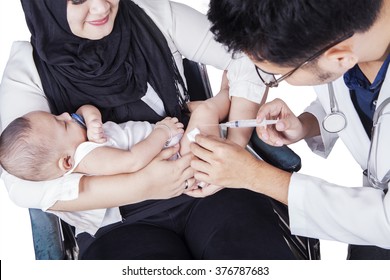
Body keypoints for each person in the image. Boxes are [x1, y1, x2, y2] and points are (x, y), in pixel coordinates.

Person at [0, 0, 295, 259]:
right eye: (78, 0)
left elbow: (248, 56)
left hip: (206, 182)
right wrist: (143, 184)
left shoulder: (153, 14)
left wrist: (233, 148)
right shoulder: (28, 68)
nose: (102, 7)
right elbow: (21, 183)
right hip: (118, 221)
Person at [190, 0, 390, 259]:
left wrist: (253, 175)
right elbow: (357, 105)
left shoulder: (340, 42)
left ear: (340, 57)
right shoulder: (344, 35)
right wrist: (305, 125)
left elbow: (384, 220)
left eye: (277, 76)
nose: (271, 81)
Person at [0, 104, 185, 181]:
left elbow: (84, 109)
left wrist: (92, 119)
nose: (66, 115)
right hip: (170, 149)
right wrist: (162, 132)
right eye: (63, 124)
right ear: (67, 162)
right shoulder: (89, 157)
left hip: (168, 140)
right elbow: (133, 160)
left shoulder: (78, 138)